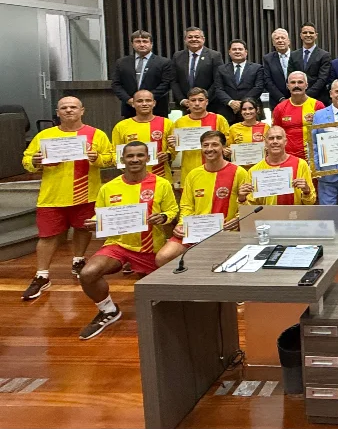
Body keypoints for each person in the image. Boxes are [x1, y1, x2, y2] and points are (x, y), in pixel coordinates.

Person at [77, 141, 177, 339]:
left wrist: (164, 217)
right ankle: (108, 310)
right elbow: (102, 215)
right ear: (122, 159)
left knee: (159, 304)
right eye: (130, 156)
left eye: (140, 155)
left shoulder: (161, 184)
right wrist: (95, 222)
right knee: (87, 273)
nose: (135, 159)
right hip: (118, 245)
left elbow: (173, 211)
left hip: (151, 247)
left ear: (148, 158)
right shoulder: (109, 187)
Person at [21, 96, 115, 300]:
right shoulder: (45, 135)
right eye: (64, 107)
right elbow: (27, 159)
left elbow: (110, 158)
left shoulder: (96, 134)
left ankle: (78, 260)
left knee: (83, 229)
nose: (69, 110)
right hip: (52, 196)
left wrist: (96, 158)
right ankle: (42, 275)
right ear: (57, 112)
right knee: (47, 236)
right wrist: (35, 161)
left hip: (86, 193)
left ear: (82, 110)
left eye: (73, 107)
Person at [155, 130, 251, 268]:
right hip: (195, 231)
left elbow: (247, 204)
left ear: (224, 147)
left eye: (214, 145)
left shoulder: (239, 172)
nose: (209, 149)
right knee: (163, 258)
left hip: (225, 232)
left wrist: (237, 219)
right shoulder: (193, 174)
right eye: (205, 145)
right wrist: (181, 225)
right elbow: (187, 206)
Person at [111, 88, 175, 181]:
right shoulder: (121, 126)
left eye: (148, 100)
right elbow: (114, 152)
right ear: (133, 104)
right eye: (140, 101)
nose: (144, 104)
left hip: (161, 176)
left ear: (154, 103)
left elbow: (174, 147)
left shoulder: (167, 123)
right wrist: (124, 165)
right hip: (132, 177)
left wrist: (168, 155)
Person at [110, 29, 174, 118]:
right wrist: (129, 100)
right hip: (130, 109)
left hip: (157, 109)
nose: (142, 44)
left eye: (145, 41)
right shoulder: (121, 62)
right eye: (138, 41)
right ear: (132, 44)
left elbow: (166, 84)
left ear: (151, 44)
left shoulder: (164, 62)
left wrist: (147, 100)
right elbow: (116, 84)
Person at [169, 87, 230, 180]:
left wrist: (226, 150)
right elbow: (172, 151)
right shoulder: (180, 122)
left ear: (207, 102)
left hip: (217, 170)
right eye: (193, 100)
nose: (197, 103)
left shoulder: (219, 119)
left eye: (200, 100)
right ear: (188, 103)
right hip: (189, 171)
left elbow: (228, 143)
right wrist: (173, 145)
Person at [248, 125, 316, 205]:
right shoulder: (254, 170)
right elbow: (251, 206)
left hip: (295, 216)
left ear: (285, 141)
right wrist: (242, 199)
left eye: (279, 138)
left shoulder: (301, 164)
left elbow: (311, 202)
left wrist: (306, 191)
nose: (275, 141)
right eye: (271, 138)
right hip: (267, 216)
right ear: (265, 143)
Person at [271, 71, 325, 162]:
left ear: (306, 85)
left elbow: (325, 133)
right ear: (288, 86)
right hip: (288, 159)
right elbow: (275, 135)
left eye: (300, 82)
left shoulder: (318, 106)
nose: (296, 85)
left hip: (313, 158)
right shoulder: (279, 108)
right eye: (293, 82)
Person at [171, 26, 224, 111]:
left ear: (203, 39)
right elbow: (174, 80)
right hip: (184, 106)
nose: (193, 39)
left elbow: (217, 81)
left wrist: (202, 100)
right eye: (190, 37)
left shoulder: (214, 56)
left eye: (197, 37)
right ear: (185, 40)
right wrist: (182, 100)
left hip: (209, 105)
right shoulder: (177, 56)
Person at [214, 39, 265, 125]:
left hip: (251, 111)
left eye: (240, 49)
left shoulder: (257, 68)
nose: (237, 51)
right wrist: (231, 102)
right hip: (228, 111)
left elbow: (259, 87)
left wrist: (242, 104)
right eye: (234, 49)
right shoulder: (221, 69)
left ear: (246, 52)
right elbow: (218, 89)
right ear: (229, 52)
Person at [287, 22, 331, 103]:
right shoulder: (293, 55)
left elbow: (322, 79)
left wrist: (305, 96)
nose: (308, 35)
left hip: (318, 99)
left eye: (311, 32)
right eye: (305, 32)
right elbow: (290, 77)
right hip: (297, 99)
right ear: (301, 35)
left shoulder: (324, 55)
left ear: (316, 35)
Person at [226, 98, 270, 166]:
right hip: (241, 170)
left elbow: (270, 149)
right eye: (244, 109)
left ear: (257, 110)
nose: (247, 112)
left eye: (250, 108)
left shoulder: (266, 127)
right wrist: (228, 153)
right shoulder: (233, 128)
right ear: (240, 111)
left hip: (260, 168)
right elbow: (229, 151)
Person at [262, 28, 292, 106]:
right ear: (273, 43)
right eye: (277, 38)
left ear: (288, 41)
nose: (280, 40)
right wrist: (281, 98)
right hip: (277, 101)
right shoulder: (268, 59)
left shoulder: (297, 56)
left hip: (297, 98)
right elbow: (268, 81)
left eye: (283, 38)